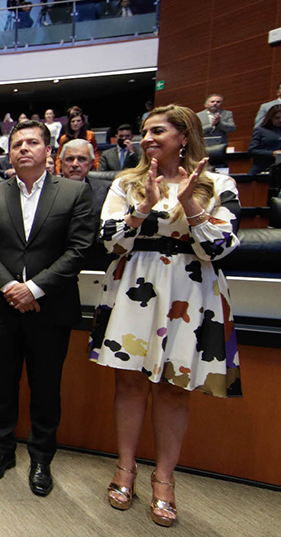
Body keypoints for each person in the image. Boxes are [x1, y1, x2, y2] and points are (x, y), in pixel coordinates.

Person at [89, 105, 241, 528]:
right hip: (135, 289)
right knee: (129, 383)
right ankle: (125, 469)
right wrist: (143, 208)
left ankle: (164, 480)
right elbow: (108, 240)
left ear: (184, 135)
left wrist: (190, 203)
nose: (147, 138)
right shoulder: (126, 183)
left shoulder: (218, 184)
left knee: (175, 388)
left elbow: (220, 247)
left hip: (191, 293)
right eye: (144, 132)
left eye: (157, 131)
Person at [0, 119, 94, 497]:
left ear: (48, 151)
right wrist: (11, 288)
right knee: (2, 386)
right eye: (17, 144)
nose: (24, 148)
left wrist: (34, 289)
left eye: (32, 142)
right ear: (9, 153)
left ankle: (41, 458)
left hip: (50, 308)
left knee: (46, 388)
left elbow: (79, 250)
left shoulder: (74, 192)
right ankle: (1, 451)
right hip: (1, 306)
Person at [60, 139, 110, 218]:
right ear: (61, 163)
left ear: (91, 163)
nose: (75, 164)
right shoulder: (47, 189)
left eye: (81, 159)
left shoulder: (106, 190)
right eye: (70, 159)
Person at [248, 105, 281, 174]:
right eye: (276, 118)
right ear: (270, 117)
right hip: (262, 167)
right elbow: (252, 150)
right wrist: (272, 153)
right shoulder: (260, 130)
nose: (280, 120)